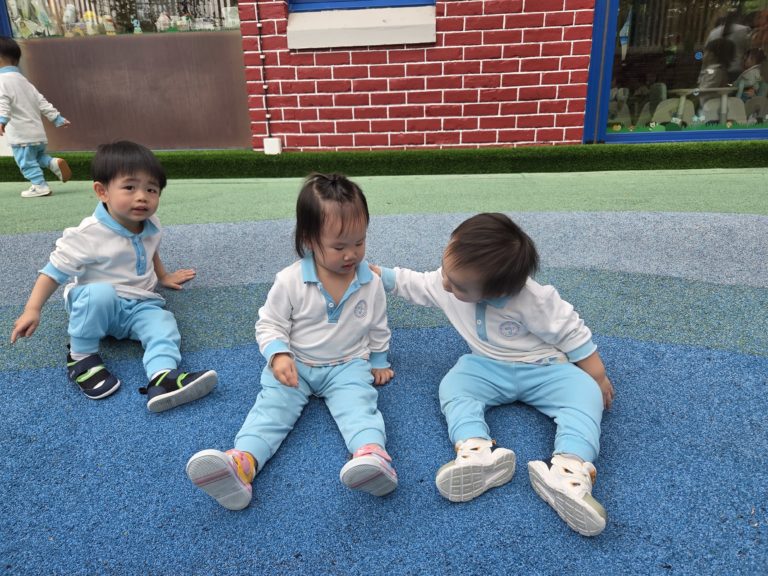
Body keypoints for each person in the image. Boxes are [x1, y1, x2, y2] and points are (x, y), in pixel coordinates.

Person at [377, 213, 614, 537]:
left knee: (585, 395)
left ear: (494, 292)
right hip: (487, 365)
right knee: (454, 385)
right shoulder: (451, 281)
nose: (444, 284)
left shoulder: (535, 300)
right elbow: (415, 283)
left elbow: (573, 333)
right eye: (445, 270)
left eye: (457, 286)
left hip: (545, 368)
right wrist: (380, 275)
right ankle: (475, 450)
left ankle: (570, 470)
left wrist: (597, 377)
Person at [186, 173, 397, 510]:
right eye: (339, 247)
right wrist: (278, 354)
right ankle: (242, 464)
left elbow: (378, 323)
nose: (351, 255)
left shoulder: (369, 281)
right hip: (295, 365)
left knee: (360, 407)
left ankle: (372, 457)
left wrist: (379, 360)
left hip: (347, 365)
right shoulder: (290, 280)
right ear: (309, 239)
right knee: (271, 410)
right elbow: (269, 323)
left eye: (359, 243)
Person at [10, 140, 217, 413]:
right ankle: (81, 357)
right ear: (102, 191)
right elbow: (53, 272)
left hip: (140, 304)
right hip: (96, 306)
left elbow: (150, 248)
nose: (142, 197)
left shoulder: (151, 224)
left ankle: (162, 376)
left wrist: (163, 276)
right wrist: (32, 309)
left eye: (151, 189)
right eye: (129, 187)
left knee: (163, 323)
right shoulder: (88, 234)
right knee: (100, 293)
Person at [0, 36, 72, 198]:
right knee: (37, 157)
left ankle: (39, 186)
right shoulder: (24, 81)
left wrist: (2, 120)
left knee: (25, 162)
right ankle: (53, 163)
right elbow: (41, 101)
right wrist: (57, 118)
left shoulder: (1, 81)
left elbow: (2, 101)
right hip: (38, 134)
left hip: (22, 136)